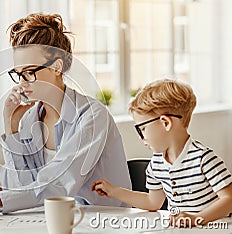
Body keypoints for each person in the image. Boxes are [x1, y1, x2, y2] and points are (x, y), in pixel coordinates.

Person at [0, 13, 131, 214]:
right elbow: (20, 189)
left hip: (104, 222)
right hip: (55, 220)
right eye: (19, 74)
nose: (22, 82)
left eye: (29, 72)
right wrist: (11, 128)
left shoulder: (93, 117)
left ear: (56, 66)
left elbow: (56, 186)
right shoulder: (30, 119)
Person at [92, 79, 232, 227]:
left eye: (142, 129)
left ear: (166, 122)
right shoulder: (156, 165)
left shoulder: (204, 159)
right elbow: (153, 202)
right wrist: (114, 191)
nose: (142, 137)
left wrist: (196, 219)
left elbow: (229, 199)